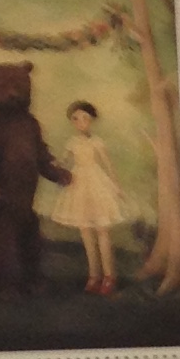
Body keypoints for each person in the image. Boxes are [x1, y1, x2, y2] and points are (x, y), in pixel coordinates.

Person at [0, 61, 67, 295]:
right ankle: (3, 285)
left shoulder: (30, 124)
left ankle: (31, 279)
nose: (12, 94)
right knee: (1, 246)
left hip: (24, 203)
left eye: (18, 88)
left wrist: (55, 173)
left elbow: (40, 155)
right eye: (5, 88)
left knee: (30, 242)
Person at [43, 97, 129, 293]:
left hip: (96, 182)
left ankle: (109, 276)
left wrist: (116, 186)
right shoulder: (72, 142)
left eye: (85, 118)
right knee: (85, 230)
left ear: (91, 120)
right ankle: (94, 275)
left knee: (102, 230)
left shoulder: (97, 142)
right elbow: (64, 161)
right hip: (78, 183)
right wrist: (55, 164)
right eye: (76, 119)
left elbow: (107, 164)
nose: (80, 123)